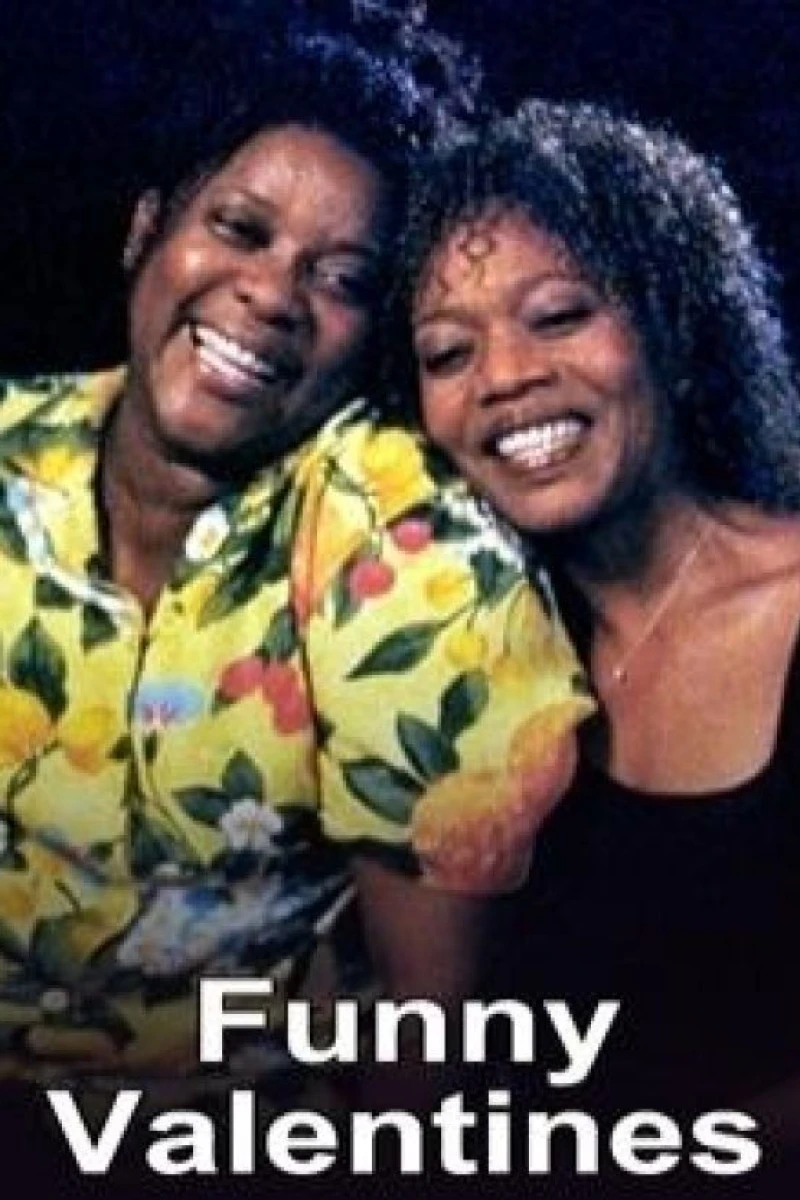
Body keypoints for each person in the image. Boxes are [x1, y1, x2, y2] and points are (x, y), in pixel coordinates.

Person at [0, 28, 592, 1132]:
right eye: (239, 229)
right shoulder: (9, 454)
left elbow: (429, 1049)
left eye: (342, 279)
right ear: (146, 229)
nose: (272, 294)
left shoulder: (408, 552)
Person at [394, 98, 800, 1168]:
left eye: (559, 315)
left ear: (674, 322)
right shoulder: (453, 666)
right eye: (447, 352)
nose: (504, 377)